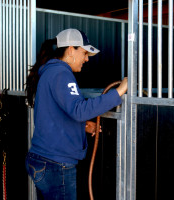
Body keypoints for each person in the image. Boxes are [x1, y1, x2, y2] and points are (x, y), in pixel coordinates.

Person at [25, 28, 128, 200]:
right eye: (84, 53)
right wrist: (119, 91)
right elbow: (79, 110)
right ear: (71, 49)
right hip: (56, 165)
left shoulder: (50, 72)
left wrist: (83, 126)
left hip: (43, 159)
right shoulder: (61, 73)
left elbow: (57, 114)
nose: (86, 59)